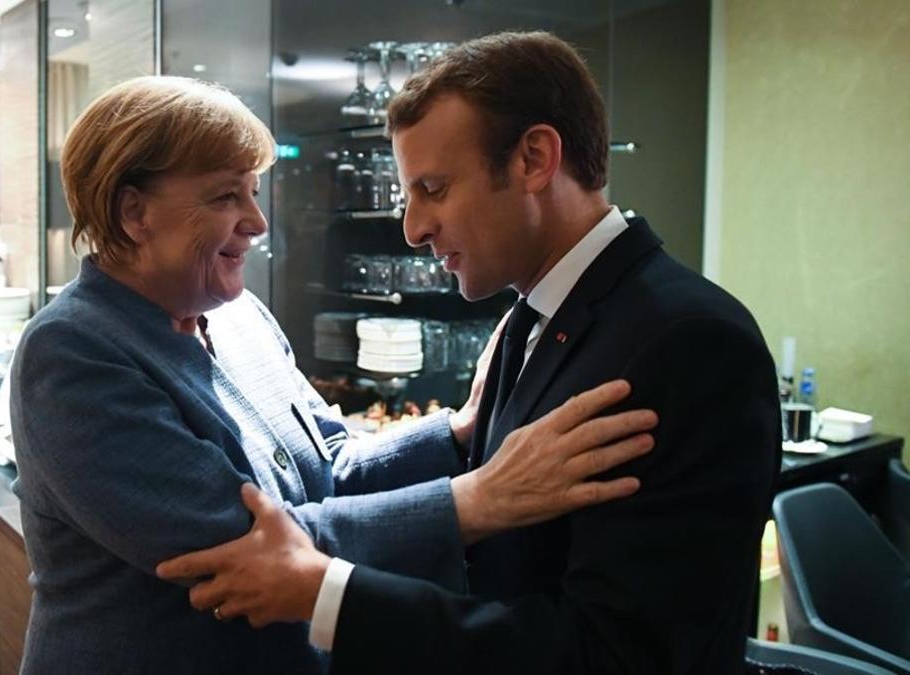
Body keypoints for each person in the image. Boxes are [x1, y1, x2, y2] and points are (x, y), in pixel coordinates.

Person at [157, 31, 782, 674]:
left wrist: (332, 595)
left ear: (534, 159)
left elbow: (620, 656)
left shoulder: (687, 342)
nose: (413, 227)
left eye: (433, 187)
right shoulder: (529, 316)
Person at [9, 75, 657, 674]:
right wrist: (475, 500)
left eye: (254, 192)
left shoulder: (239, 319)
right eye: (224, 196)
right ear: (133, 213)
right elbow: (248, 552)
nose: (257, 222)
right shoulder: (71, 353)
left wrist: (455, 435)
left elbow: (330, 465)